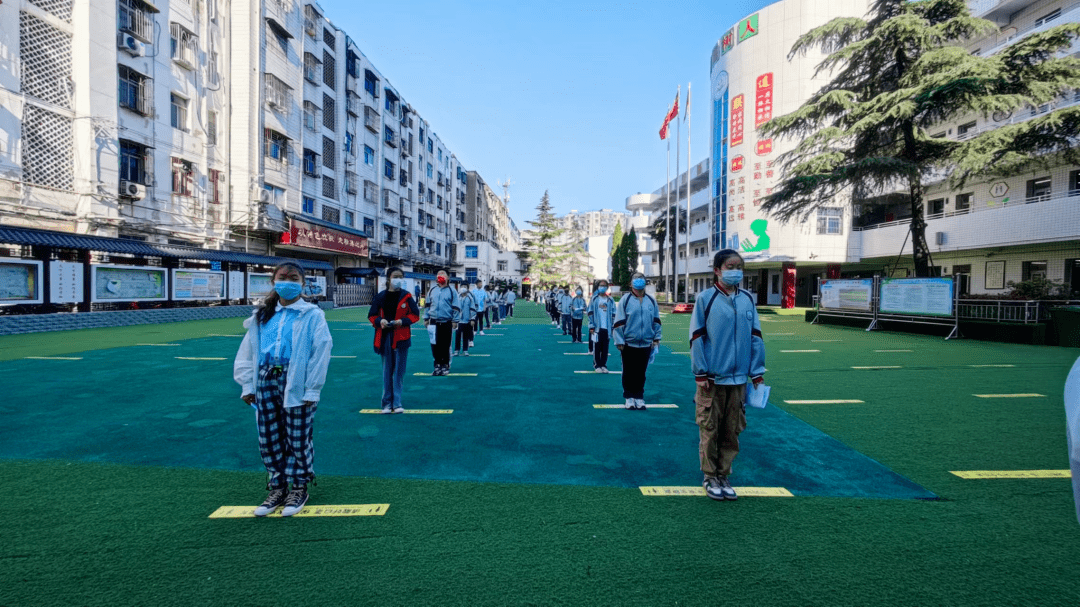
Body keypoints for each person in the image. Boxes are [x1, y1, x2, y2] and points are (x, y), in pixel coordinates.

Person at [234, 262, 333, 517]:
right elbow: (248, 351)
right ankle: (277, 487)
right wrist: (247, 384)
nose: (287, 282)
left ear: (302, 283)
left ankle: (299, 486)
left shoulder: (311, 315)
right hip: (265, 379)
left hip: (296, 381)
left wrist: (312, 389)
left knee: (298, 437)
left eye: (293, 277)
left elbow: (320, 352)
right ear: (273, 281)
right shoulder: (262, 315)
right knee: (269, 436)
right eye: (282, 277)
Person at [689, 249, 766, 502]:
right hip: (712, 378)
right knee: (709, 428)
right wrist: (701, 372)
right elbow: (697, 337)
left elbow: (756, 336)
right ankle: (710, 476)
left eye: (739, 266)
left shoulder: (747, 299)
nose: (736, 271)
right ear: (717, 270)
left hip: (739, 380)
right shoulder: (705, 299)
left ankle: (724, 475)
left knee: (732, 430)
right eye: (730, 266)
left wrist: (756, 372)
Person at [368, 267, 420, 414]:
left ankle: (397, 403)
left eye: (400, 277)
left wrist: (402, 321)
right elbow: (372, 315)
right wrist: (381, 321)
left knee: (399, 371)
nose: (398, 279)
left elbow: (415, 315)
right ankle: (386, 403)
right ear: (389, 278)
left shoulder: (407, 296)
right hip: (385, 337)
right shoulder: (380, 296)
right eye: (395, 276)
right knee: (387, 371)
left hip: (401, 337)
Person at [613, 272, 662, 410]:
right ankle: (629, 397)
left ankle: (639, 397)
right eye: (636, 278)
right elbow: (619, 321)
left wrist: (656, 337)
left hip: (646, 343)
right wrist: (619, 340)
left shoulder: (651, 301)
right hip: (628, 343)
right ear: (630, 283)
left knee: (641, 372)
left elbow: (656, 320)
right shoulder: (625, 300)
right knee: (629, 371)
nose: (639, 281)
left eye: (641, 278)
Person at [424, 269, 460, 376]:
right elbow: (427, 305)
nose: (440, 275)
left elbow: (456, 306)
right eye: (438, 274)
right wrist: (426, 318)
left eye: (443, 274)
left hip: (447, 322)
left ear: (448, 278)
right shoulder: (432, 290)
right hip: (433, 322)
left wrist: (455, 320)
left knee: (445, 344)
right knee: (435, 345)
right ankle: (437, 365)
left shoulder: (452, 291)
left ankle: (445, 365)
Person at [588, 279, 615, 373]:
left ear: (607, 288)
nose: (602, 287)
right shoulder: (594, 299)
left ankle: (603, 365)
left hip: (607, 328)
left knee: (605, 348)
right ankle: (597, 365)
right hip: (597, 328)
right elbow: (590, 312)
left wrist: (613, 327)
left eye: (604, 285)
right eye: (601, 285)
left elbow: (614, 314)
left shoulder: (610, 300)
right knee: (597, 347)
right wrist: (591, 326)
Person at [454, 282, 477, 356]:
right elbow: (454, 308)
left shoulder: (470, 298)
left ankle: (465, 350)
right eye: (462, 286)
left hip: (467, 320)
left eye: (465, 286)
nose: (463, 287)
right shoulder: (457, 297)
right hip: (458, 320)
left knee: (465, 336)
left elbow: (472, 309)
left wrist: (472, 319)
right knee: (457, 336)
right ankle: (456, 350)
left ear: (467, 288)